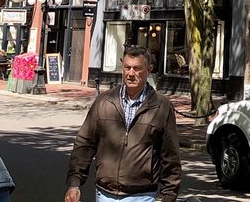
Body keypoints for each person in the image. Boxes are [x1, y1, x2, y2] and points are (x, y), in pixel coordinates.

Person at [65, 45, 181, 202]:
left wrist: (169, 194)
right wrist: (74, 184)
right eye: (127, 67)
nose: (131, 73)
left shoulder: (161, 106)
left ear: (149, 70)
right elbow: (85, 143)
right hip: (105, 193)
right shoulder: (104, 101)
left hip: (142, 195)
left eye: (137, 68)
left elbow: (170, 154)